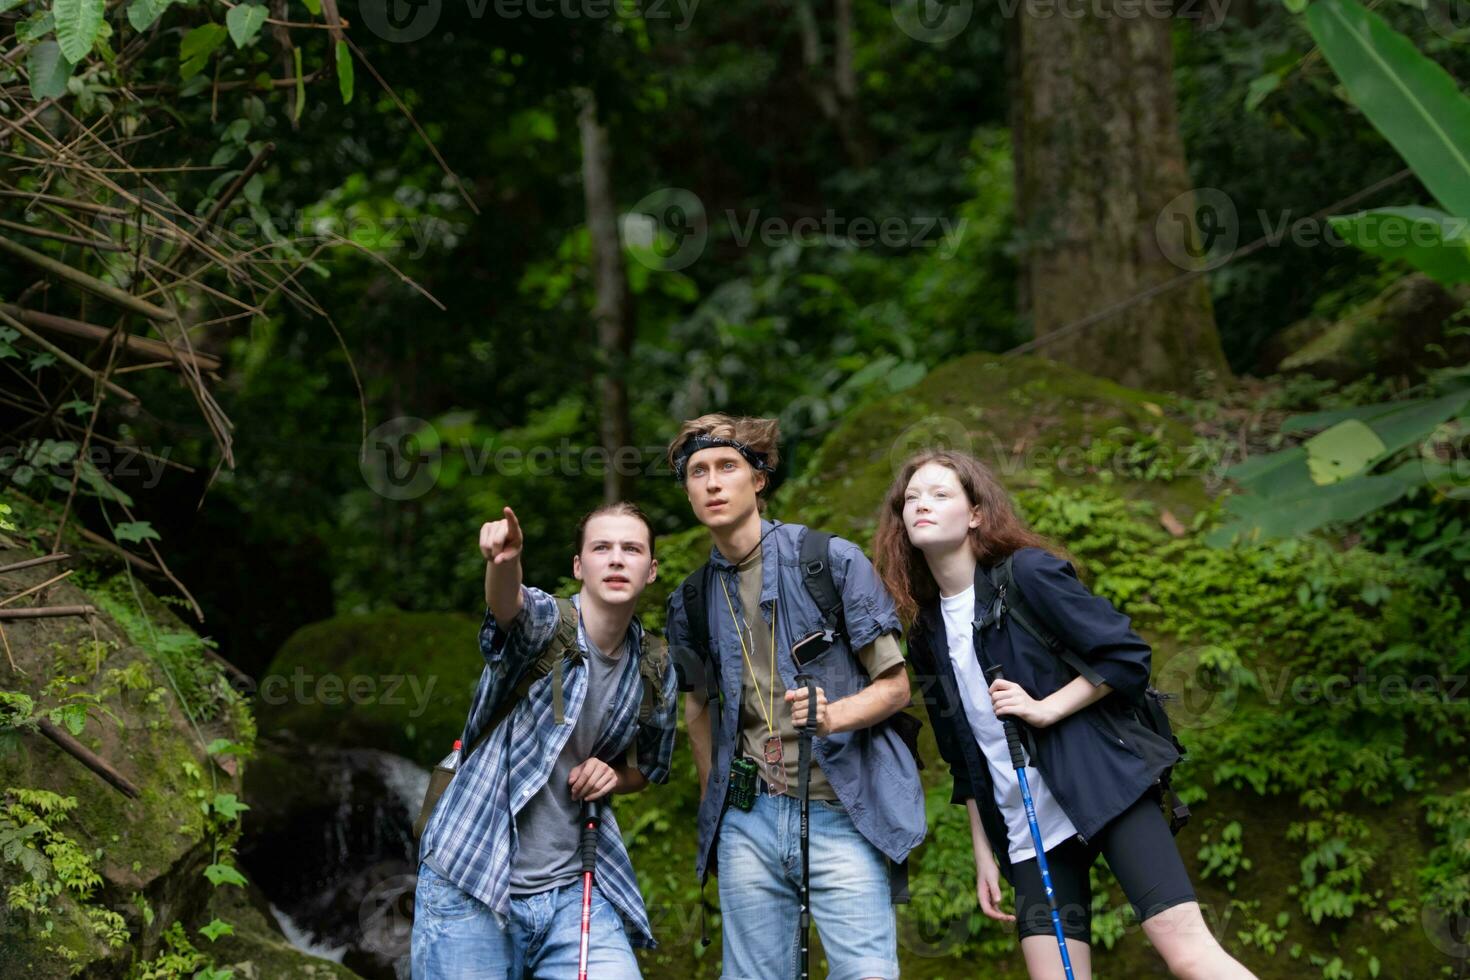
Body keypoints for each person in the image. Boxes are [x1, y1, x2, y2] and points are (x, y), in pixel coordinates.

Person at [873, 449, 1258, 980]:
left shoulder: (1026, 574)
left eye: (941, 494)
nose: (922, 505)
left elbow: (1126, 657)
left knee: (1188, 955)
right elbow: (963, 756)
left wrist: (1046, 708)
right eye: (911, 498)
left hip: (1104, 785)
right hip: (1026, 825)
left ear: (976, 513)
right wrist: (985, 852)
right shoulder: (926, 633)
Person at [663, 413, 925, 980]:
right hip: (749, 819)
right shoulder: (689, 601)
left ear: (758, 479)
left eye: (727, 467)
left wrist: (835, 714)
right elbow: (698, 710)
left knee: (868, 973)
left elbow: (897, 686)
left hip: (839, 808)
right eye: (698, 471)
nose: (712, 482)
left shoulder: (828, 561)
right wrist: (721, 806)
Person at [412, 501, 678, 979]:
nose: (617, 559)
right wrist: (505, 561)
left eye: (631, 549)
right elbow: (509, 605)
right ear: (579, 566)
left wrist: (613, 777)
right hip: (472, 875)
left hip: (573, 891)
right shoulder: (547, 628)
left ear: (651, 570)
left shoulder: (655, 666)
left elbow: (649, 770)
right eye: (602, 548)